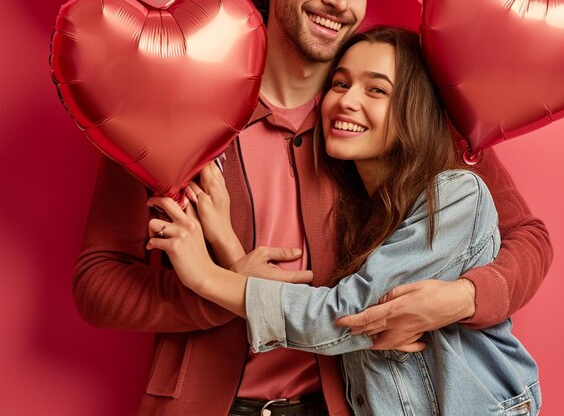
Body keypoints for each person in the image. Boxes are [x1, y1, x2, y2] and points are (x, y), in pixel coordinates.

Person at [73, 0, 552, 416]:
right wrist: (215, 292)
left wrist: (461, 300)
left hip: (351, 404)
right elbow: (97, 280)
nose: (340, 2)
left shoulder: (391, 112)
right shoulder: (172, 107)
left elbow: (527, 238)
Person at [146, 26, 541, 415]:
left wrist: (203, 275)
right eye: (339, 83)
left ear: (414, 110)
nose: (347, 101)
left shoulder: (455, 194)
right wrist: (227, 242)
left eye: (376, 89)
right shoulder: (358, 209)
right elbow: (322, 318)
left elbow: (342, 316)